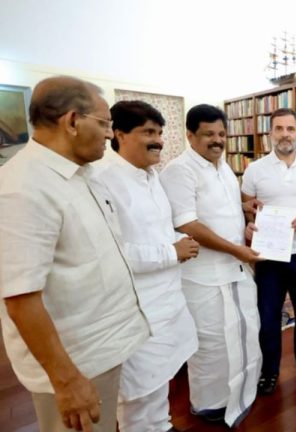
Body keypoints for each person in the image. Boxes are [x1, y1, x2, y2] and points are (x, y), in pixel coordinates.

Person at [0, 76, 149, 432]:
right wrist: (66, 380)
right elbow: (21, 298)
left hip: (99, 351)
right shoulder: (24, 187)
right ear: (71, 121)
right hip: (76, 363)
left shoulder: (83, 175)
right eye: (104, 124)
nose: (111, 135)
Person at [91, 100, 200, 432]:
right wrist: (172, 251)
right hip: (137, 308)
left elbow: (157, 229)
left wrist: (177, 241)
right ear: (119, 134)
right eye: (148, 132)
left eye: (160, 132)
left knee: (161, 382)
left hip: (167, 299)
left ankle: (162, 426)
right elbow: (111, 252)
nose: (159, 140)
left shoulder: (152, 175)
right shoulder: (103, 181)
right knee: (138, 394)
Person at [159, 104, 261, 427]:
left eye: (221, 134)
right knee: (211, 342)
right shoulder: (179, 171)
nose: (217, 141)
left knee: (245, 331)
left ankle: (241, 390)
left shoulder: (224, 167)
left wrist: (246, 211)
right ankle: (209, 404)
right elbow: (188, 223)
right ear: (190, 135)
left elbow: (224, 209)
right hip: (203, 275)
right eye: (208, 134)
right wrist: (235, 249)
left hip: (235, 269)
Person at [240, 108, 296, 395]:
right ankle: (269, 370)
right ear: (270, 133)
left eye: (290, 129)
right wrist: (251, 225)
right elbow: (246, 209)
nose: (284, 134)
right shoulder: (255, 170)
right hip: (268, 255)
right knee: (267, 316)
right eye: (278, 129)